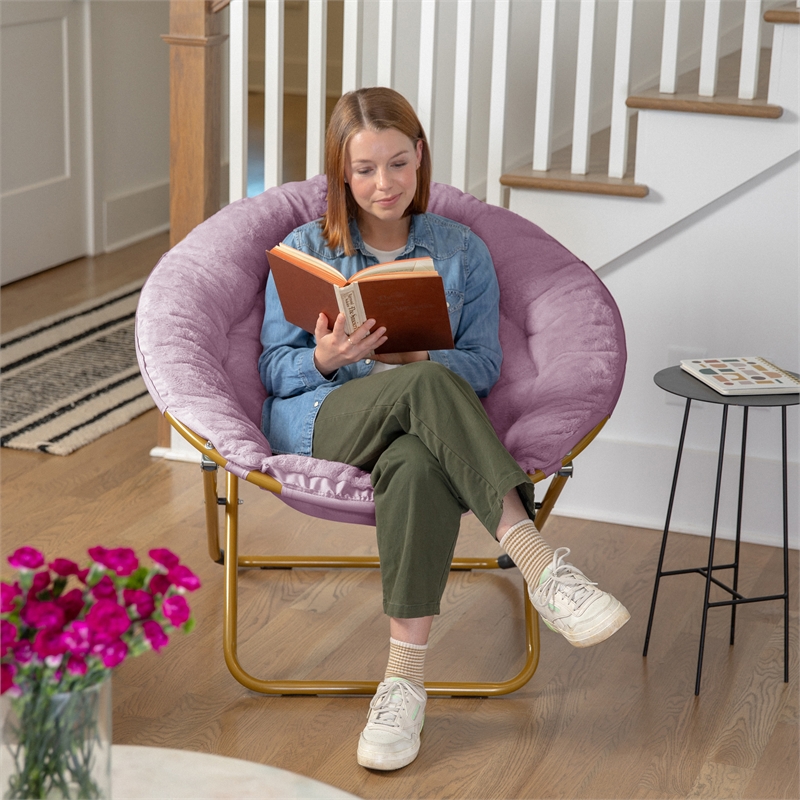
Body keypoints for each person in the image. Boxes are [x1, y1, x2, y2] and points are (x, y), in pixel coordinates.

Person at [258, 87, 629, 771]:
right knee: (429, 386)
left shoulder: (462, 251)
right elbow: (275, 371)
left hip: (421, 427)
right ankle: (541, 566)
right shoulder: (304, 247)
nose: (383, 184)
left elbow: (485, 362)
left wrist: (417, 357)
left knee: (418, 460)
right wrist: (327, 358)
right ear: (341, 169)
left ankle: (402, 683)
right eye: (365, 168)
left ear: (420, 157)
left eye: (398, 164)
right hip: (324, 418)